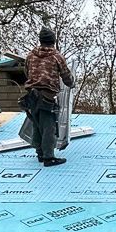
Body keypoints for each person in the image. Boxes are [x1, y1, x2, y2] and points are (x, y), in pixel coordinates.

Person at [21, 27, 74, 166]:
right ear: (53, 41)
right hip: (47, 96)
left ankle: (40, 153)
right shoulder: (56, 56)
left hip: (31, 96)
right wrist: (72, 84)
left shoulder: (30, 55)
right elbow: (66, 76)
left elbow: (26, 72)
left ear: (41, 40)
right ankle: (48, 158)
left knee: (37, 125)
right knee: (49, 127)